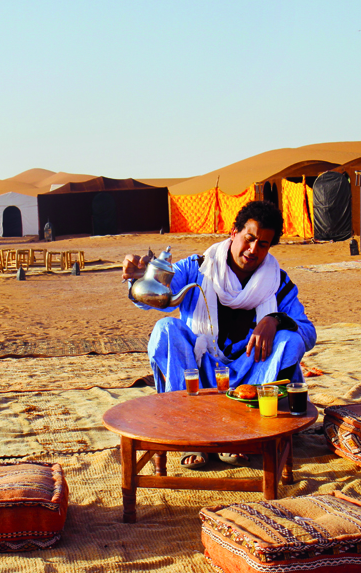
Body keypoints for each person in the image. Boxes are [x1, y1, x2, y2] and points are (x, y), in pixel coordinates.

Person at [122, 200, 316, 468]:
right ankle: (188, 430)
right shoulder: (198, 268)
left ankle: (247, 430)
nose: (253, 250)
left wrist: (274, 319)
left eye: (263, 244)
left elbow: (307, 333)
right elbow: (154, 297)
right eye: (249, 239)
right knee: (166, 329)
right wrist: (141, 280)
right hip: (199, 375)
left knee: (289, 338)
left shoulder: (278, 283)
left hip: (251, 376)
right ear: (233, 233)